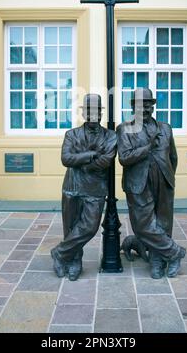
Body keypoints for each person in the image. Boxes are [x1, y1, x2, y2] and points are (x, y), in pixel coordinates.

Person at [117, 88, 186, 278]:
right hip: (138, 182)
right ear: (133, 107)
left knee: (163, 222)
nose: (144, 109)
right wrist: (147, 148)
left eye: (147, 105)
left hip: (163, 180)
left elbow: (172, 157)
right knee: (142, 224)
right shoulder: (125, 129)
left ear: (153, 106)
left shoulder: (166, 128)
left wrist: (167, 175)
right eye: (140, 106)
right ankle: (175, 252)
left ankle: (157, 262)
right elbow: (124, 157)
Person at [51, 93, 117, 281]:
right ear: (84, 113)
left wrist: (80, 161)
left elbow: (106, 161)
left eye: (96, 110)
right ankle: (74, 261)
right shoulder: (71, 134)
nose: (92, 114)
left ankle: (60, 253)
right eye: (89, 110)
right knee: (71, 228)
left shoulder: (111, 136)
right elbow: (66, 159)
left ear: (101, 113)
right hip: (72, 187)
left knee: (89, 227)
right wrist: (90, 154)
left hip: (95, 189)